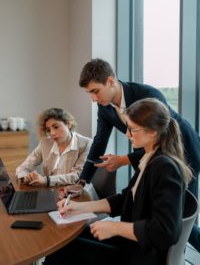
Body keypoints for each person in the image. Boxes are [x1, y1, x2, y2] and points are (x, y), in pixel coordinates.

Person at [71, 58, 200, 252]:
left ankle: (173, 256)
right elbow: (99, 142)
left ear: (111, 81)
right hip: (151, 155)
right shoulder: (105, 107)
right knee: (147, 207)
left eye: (95, 91)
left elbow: (160, 133)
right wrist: (82, 181)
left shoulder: (147, 95)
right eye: (89, 93)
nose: (93, 98)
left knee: (181, 218)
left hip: (184, 151)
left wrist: (123, 160)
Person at [44, 98, 193, 265]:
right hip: (131, 244)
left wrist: (114, 227)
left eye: (132, 129)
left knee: (61, 250)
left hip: (141, 255)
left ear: (153, 132)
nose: (127, 134)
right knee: (64, 243)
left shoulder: (164, 167)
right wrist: (79, 207)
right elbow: (125, 199)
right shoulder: (149, 159)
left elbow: (164, 232)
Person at [16, 108, 92, 187]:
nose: (52, 133)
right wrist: (25, 177)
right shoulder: (45, 143)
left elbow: (77, 176)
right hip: (51, 191)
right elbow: (23, 167)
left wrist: (46, 180)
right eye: (48, 130)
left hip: (75, 193)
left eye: (56, 127)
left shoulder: (86, 144)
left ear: (69, 124)